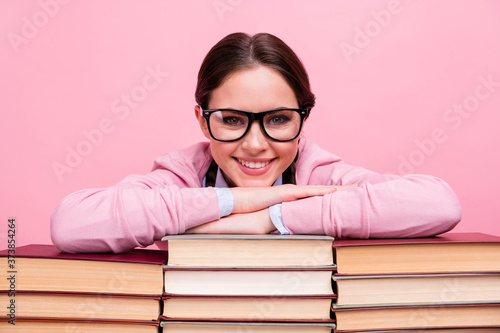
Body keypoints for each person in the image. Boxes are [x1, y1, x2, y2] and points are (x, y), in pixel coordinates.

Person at [51, 32, 462, 253]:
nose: (255, 144)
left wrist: (272, 219)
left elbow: (439, 204)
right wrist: (237, 203)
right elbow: (72, 224)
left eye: (278, 120)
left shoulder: (319, 174)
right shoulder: (181, 176)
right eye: (231, 120)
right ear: (201, 118)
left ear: (303, 119)